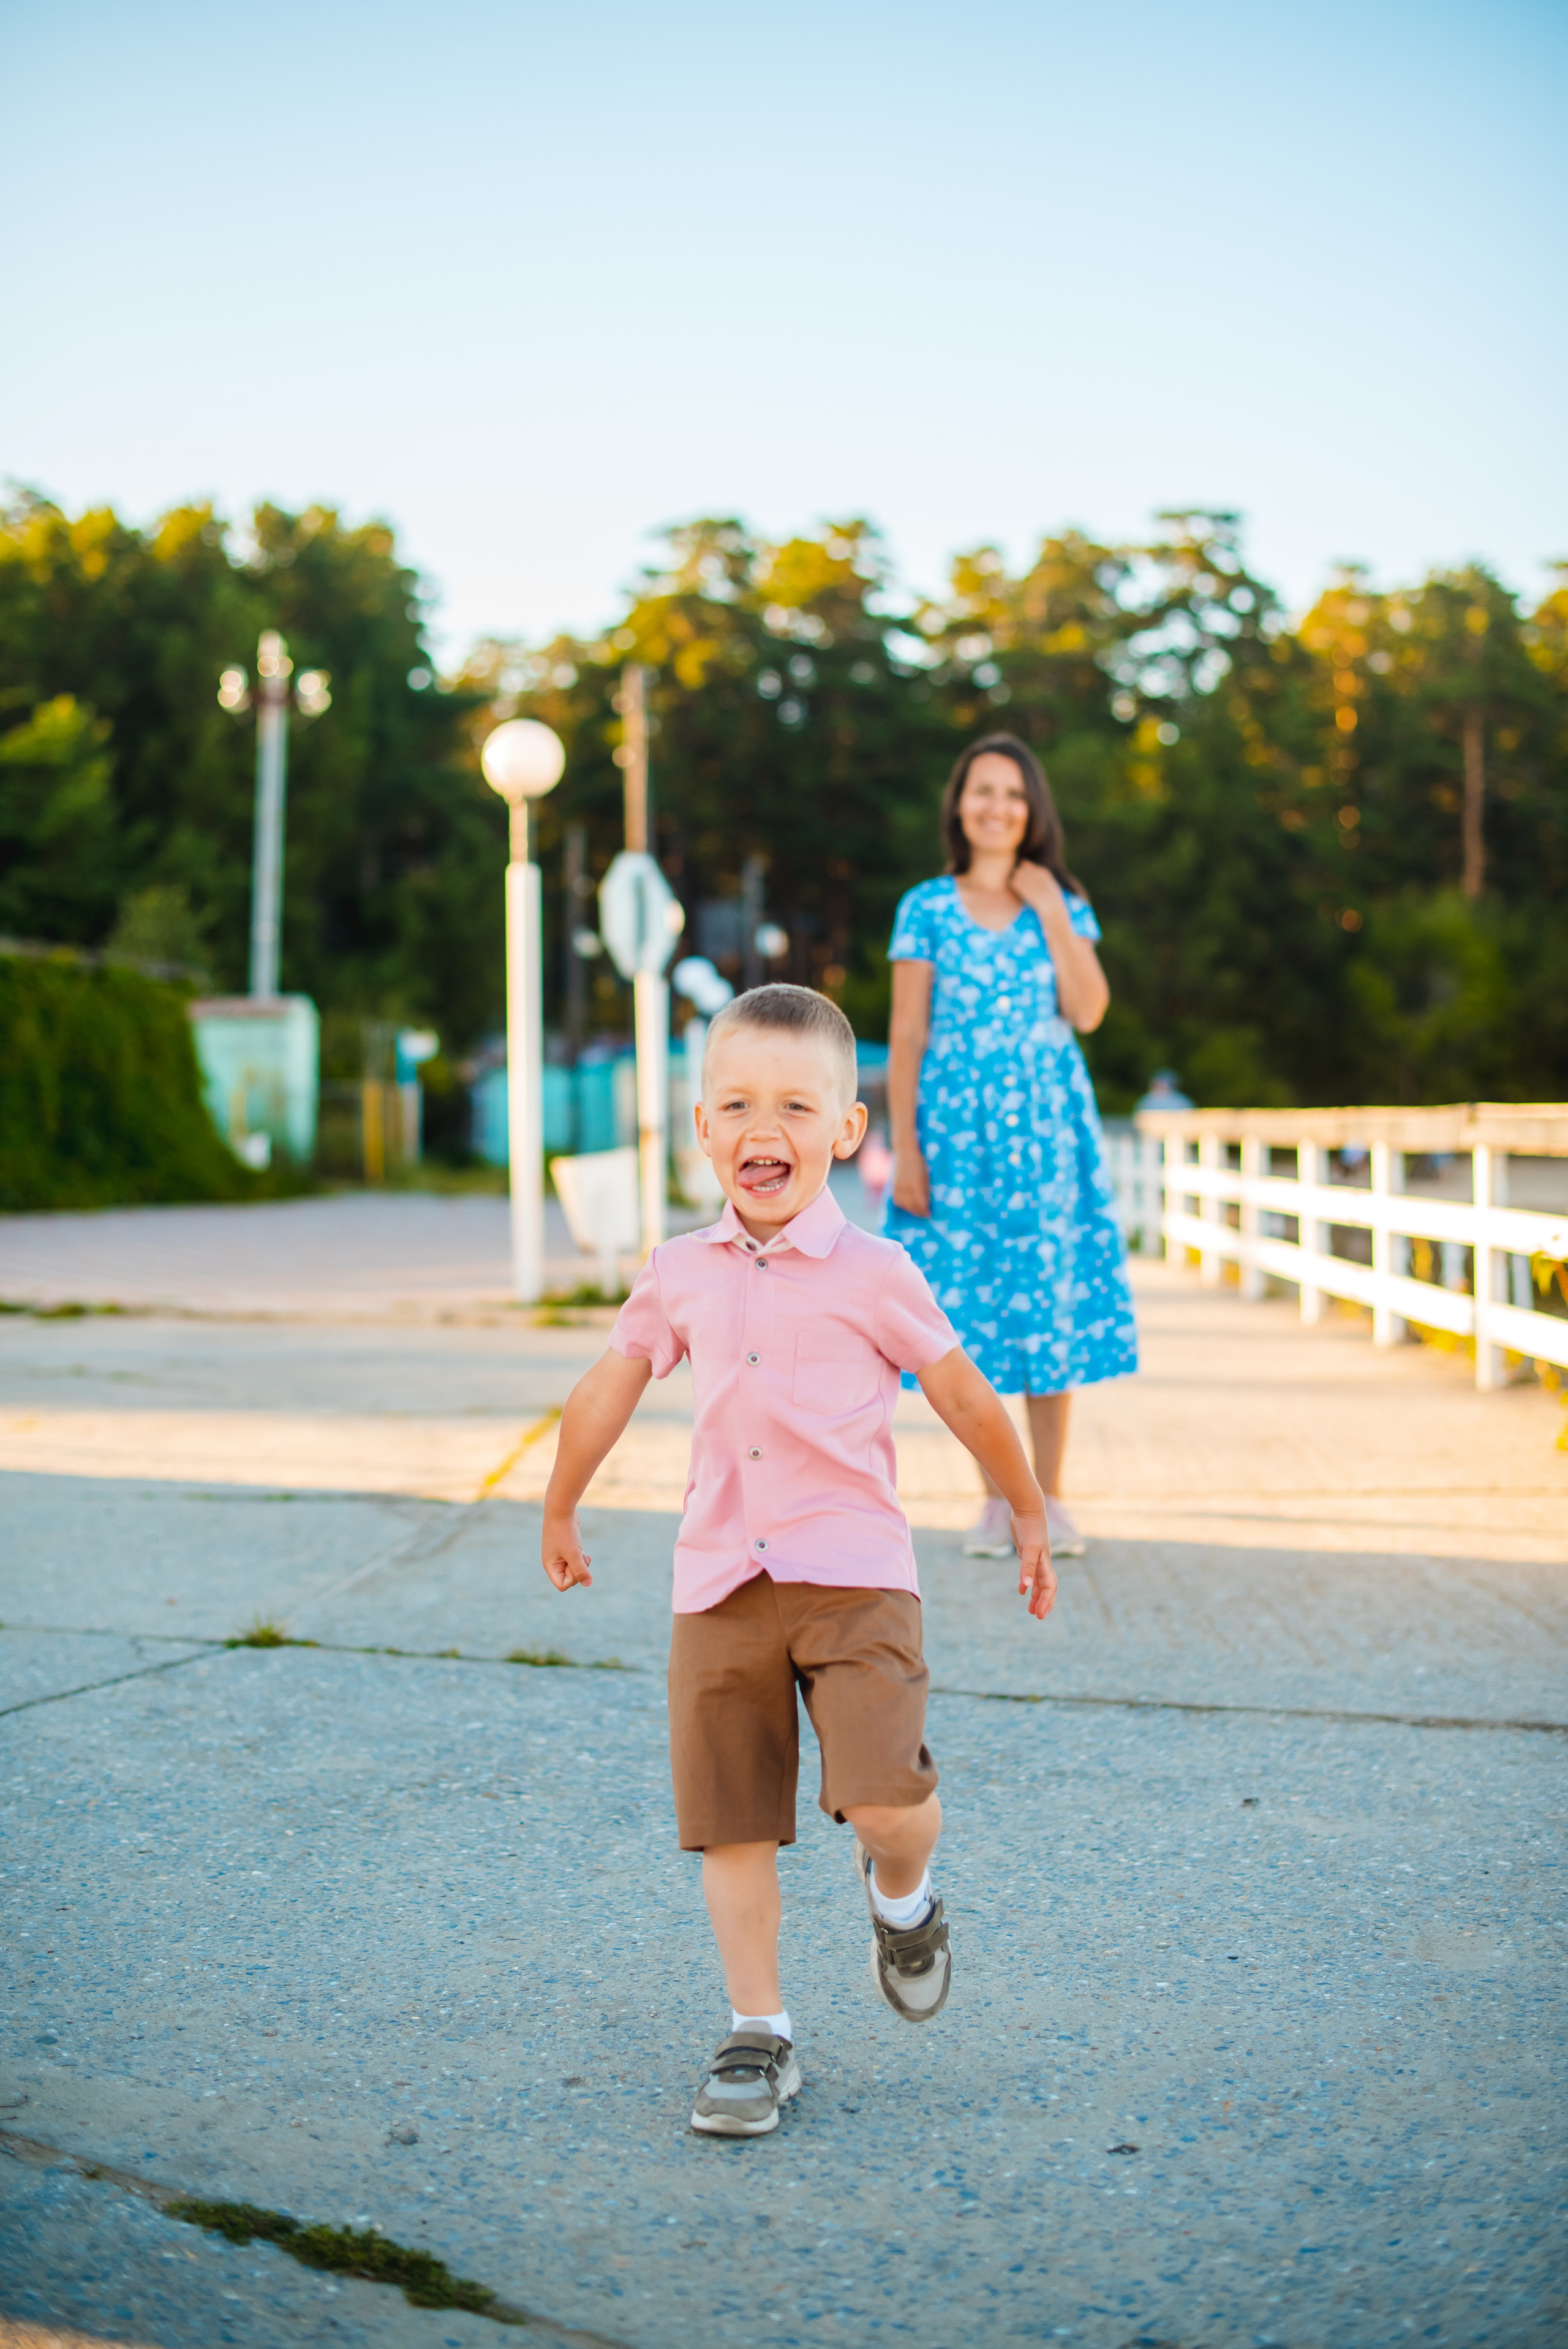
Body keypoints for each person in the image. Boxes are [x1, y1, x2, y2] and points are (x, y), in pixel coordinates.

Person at [540, 983, 1056, 2138]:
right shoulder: (681, 1269)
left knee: (883, 1801)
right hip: (718, 1581)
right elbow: (612, 1381)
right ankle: (758, 2032)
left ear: (846, 1128)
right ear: (703, 1130)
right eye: (735, 1104)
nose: (761, 1127)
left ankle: (904, 1894)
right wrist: (561, 1502)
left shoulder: (875, 1273)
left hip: (856, 1575)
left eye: (792, 1104)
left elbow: (964, 1391)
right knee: (731, 1821)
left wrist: (1023, 1505)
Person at [886, 733, 1137, 1562]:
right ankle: (994, 1499)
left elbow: (1091, 1008)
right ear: (960, 804)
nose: (998, 807)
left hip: (1045, 1132)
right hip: (956, 1134)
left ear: (1033, 812)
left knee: (1046, 1301)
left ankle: (1051, 1498)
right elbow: (907, 1033)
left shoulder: (1059, 900)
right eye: (983, 791)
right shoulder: (925, 905)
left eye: (1014, 794)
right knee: (969, 1315)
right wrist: (908, 1148)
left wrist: (1056, 911)